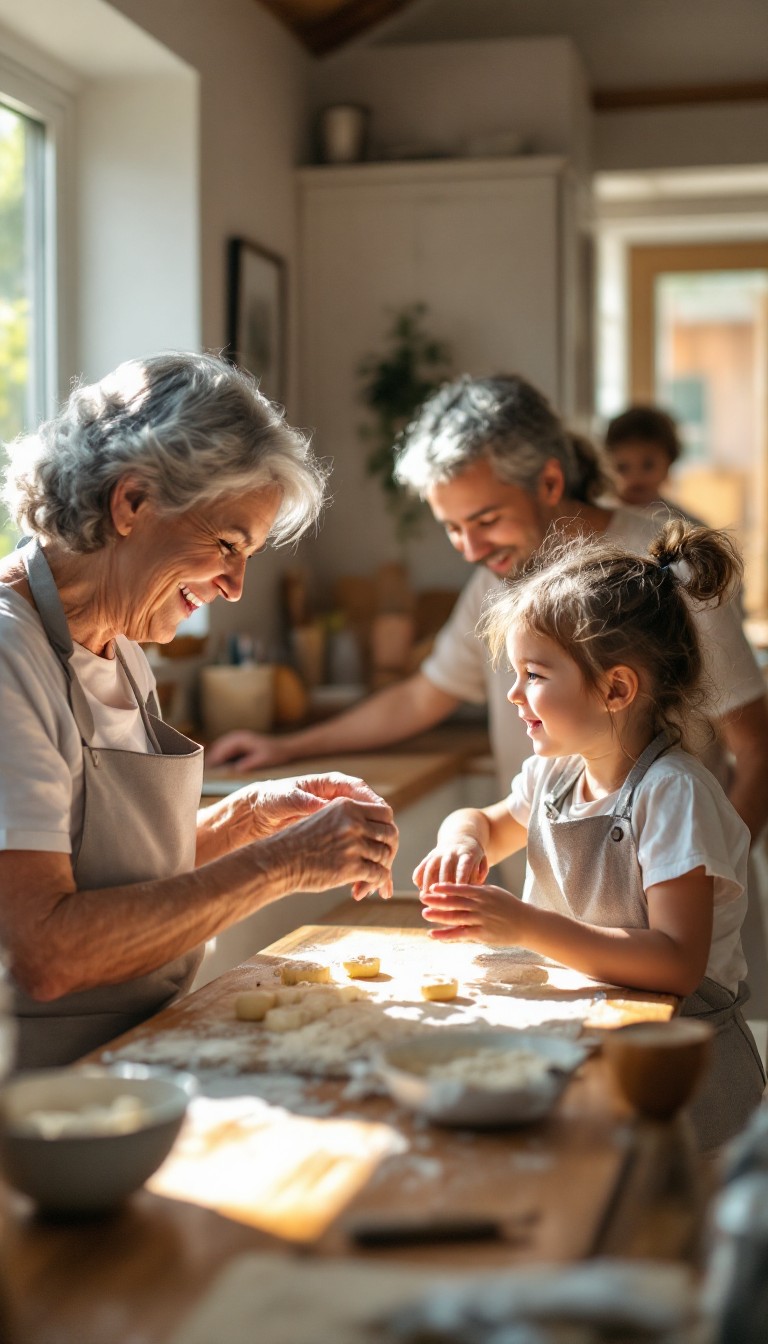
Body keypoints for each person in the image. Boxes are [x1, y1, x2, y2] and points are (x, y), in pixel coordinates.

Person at [0, 352, 398, 1071]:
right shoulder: (7, 656)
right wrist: (284, 864)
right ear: (131, 502)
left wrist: (246, 819)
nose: (236, 586)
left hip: (133, 1060)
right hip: (40, 1097)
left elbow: (111, 870)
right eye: (226, 544)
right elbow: (45, 951)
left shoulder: (120, 644)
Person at [416, 520, 765, 1149]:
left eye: (534, 675)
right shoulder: (554, 776)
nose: (514, 695)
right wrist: (460, 841)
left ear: (616, 688)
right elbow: (485, 823)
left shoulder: (672, 794)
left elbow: (676, 964)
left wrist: (525, 927)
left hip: (681, 1074)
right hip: (588, 1042)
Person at [604, 404, 707, 522]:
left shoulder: (683, 524)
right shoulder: (599, 519)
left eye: (648, 465)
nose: (636, 476)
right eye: (622, 467)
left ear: (669, 463)